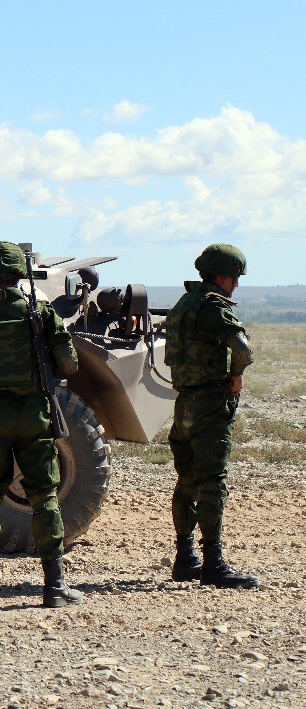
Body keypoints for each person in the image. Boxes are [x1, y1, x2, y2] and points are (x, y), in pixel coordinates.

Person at [0, 241, 83, 608]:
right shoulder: (39, 313)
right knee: (44, 497)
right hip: (34, 416)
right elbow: (69, 364)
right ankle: (54, 587)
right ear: (18, 275)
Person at [162, 243, 258, 589]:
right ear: (222, 277)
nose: (236, 285)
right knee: (212, 483)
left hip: (183, 404)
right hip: (209, 406)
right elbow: (243, 349)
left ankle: (185, 558)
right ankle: (214, 564)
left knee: (186, 481)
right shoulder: (214, 307)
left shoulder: (183, 304)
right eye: (235, 278)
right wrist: (236, 375)